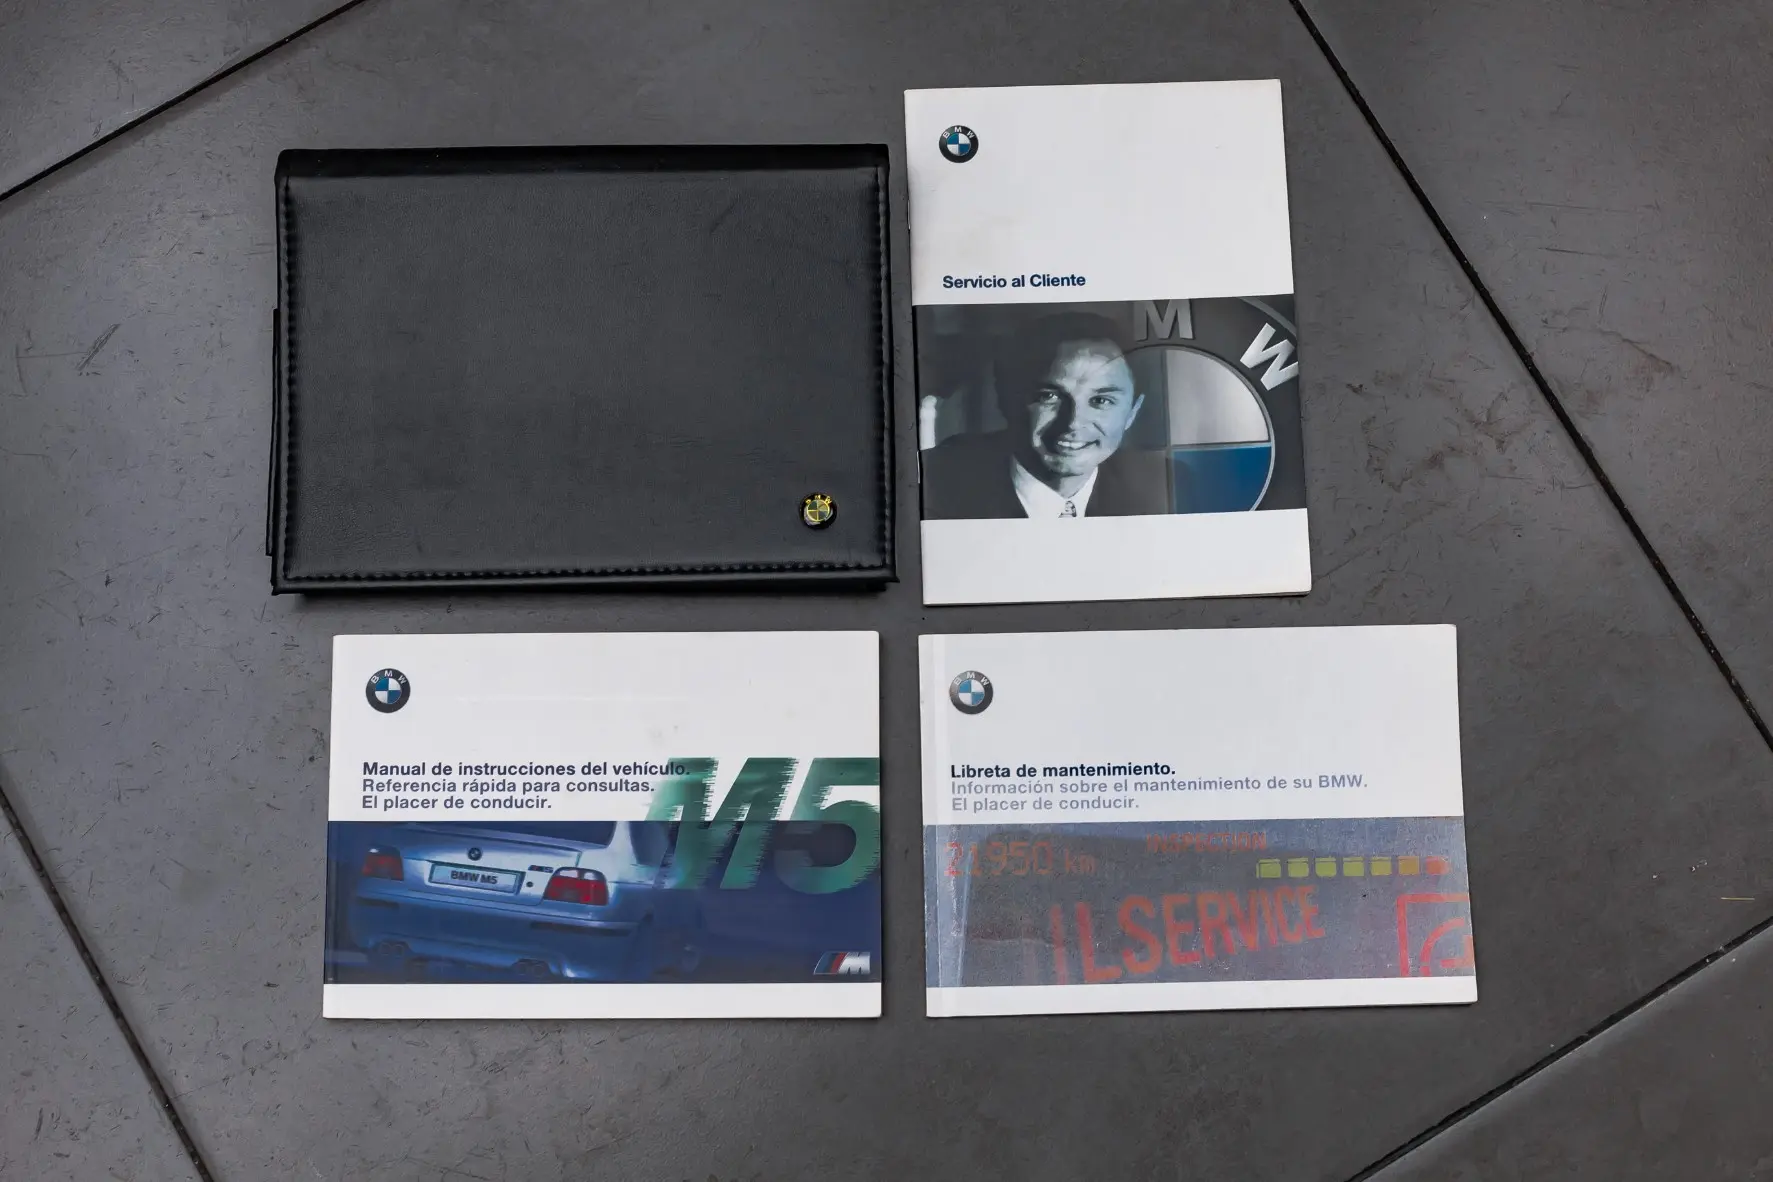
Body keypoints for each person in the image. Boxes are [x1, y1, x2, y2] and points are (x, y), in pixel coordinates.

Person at [920, 313, 1177, 520]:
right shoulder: (932, 483)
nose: (1073, 422)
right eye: (1049, 396)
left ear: (1132, 412)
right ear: (1006, 399)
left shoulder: (1167, 485)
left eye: (1101, 401)